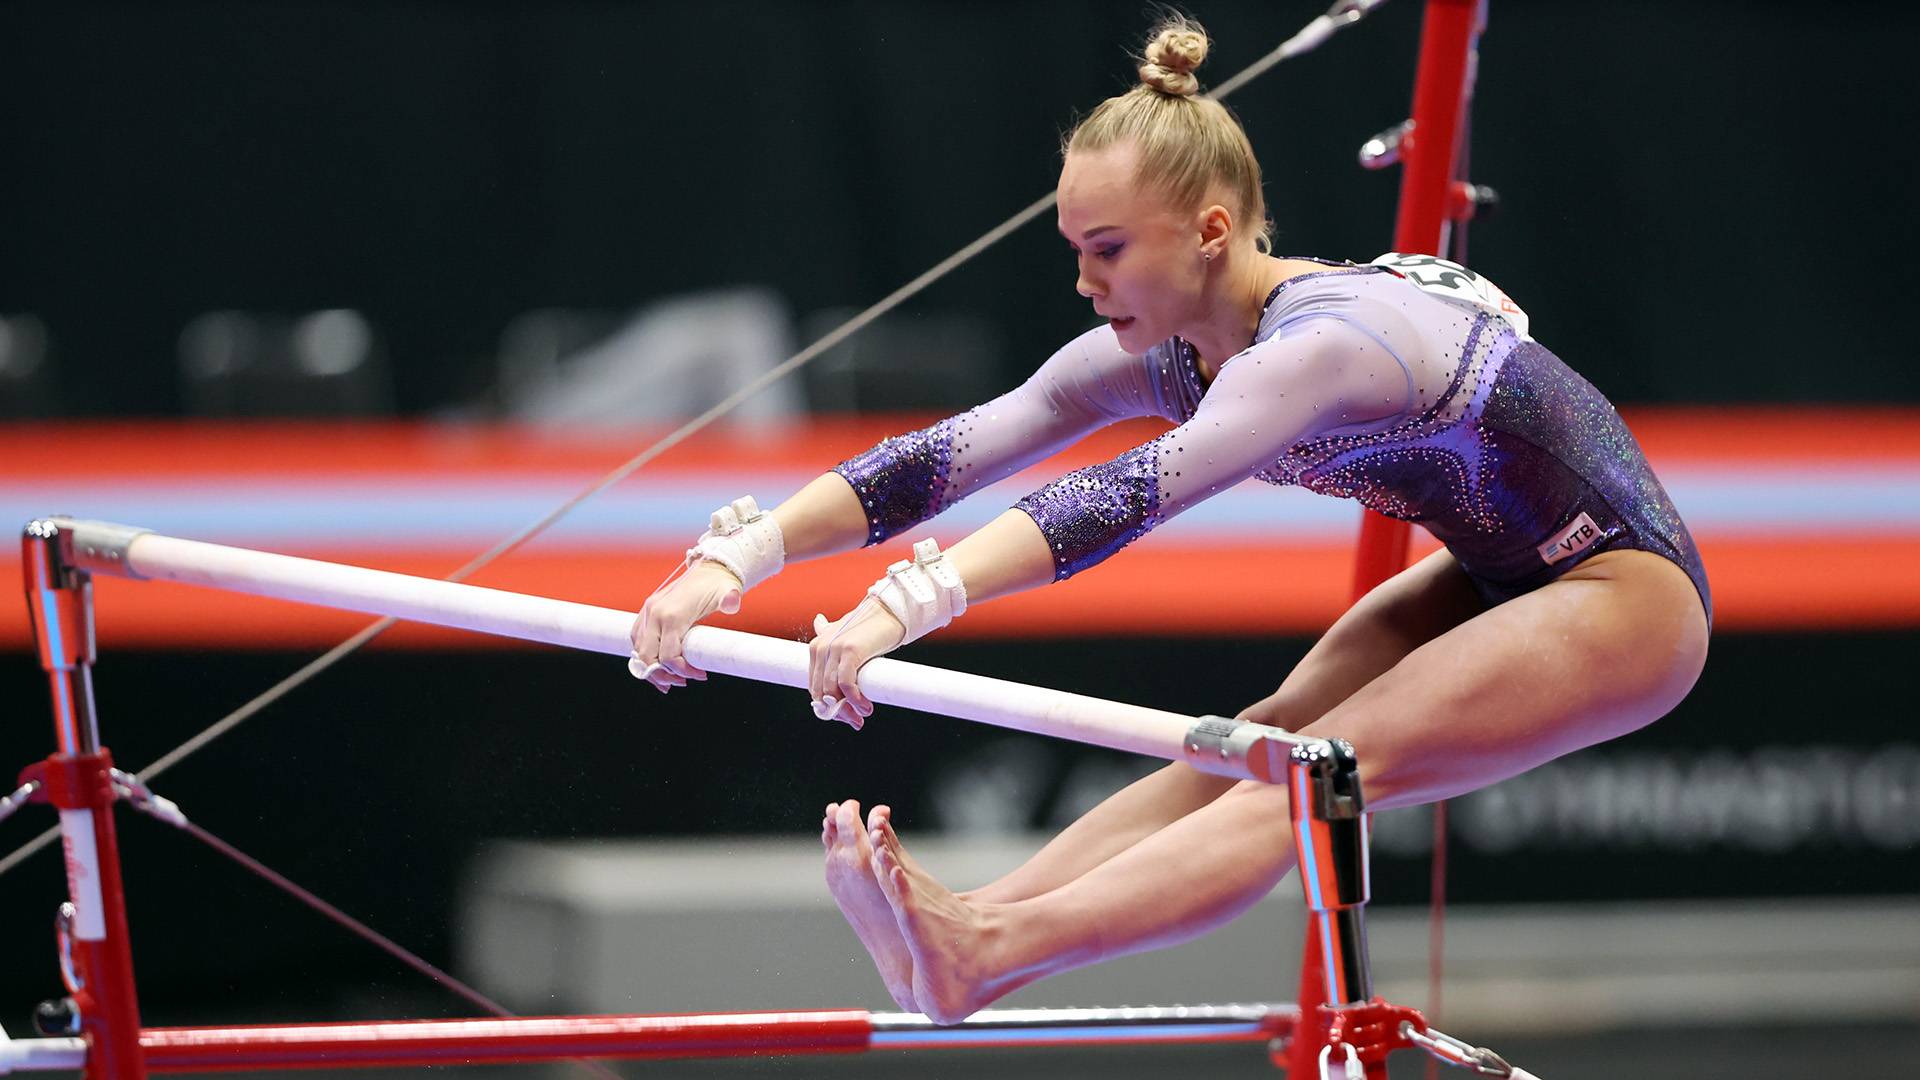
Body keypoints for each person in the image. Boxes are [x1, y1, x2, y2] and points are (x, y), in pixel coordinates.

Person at [628, 16, 1710, 1025]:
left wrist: (899, 609)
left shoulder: (1321, 346)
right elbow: (951, 453)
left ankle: (992, 951)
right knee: (1249, 746)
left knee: (1312, 774)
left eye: (1108, 249)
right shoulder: (1168, 347)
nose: (1085, 281)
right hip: (1494, 574)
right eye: (1074, 250)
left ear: (1210, 232)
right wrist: (737, 557)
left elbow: (1129, 493)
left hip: (1622, 591)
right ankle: (962, 930)